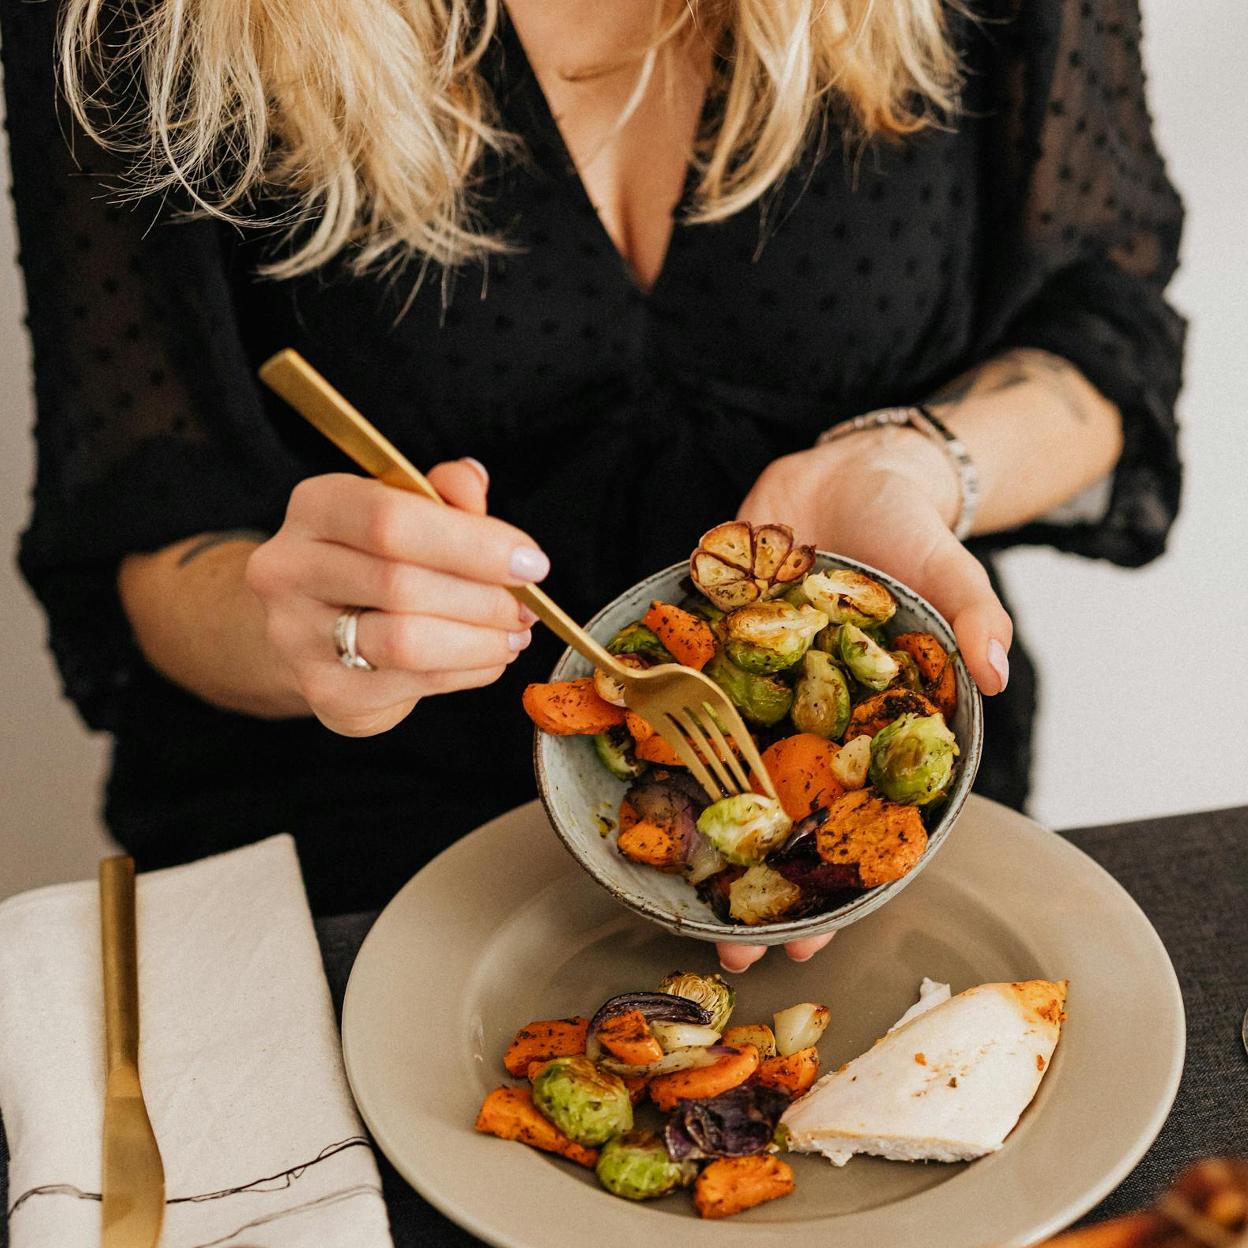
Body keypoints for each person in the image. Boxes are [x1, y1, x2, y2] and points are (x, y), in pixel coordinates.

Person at [1, 0, 1182, 972]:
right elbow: (146, 533)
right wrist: (307, 626)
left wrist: (915, 461)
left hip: (886, 850)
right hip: (356, 873)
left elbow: (1106, 324)